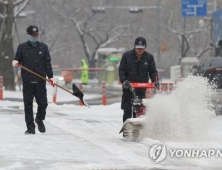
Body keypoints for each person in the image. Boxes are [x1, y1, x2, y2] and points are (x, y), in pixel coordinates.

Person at [12, 25, 54, 135]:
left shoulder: (43, 47)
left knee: (43, 104)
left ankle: (39, 119)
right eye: (33, 35)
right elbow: (17, 60)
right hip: (27, 81)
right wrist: (16, 62)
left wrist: (51, 77)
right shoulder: (22, 47)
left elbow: (47, 63)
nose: (35, 37)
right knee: (28, 105)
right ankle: (30, 127)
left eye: (37, 35)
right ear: (28, 36)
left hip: (40, 81)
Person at [118, 37, 159, 123]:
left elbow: (152, 71)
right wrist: (124, 80)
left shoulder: (149, 57)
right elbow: (121, 70)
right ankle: (127, 128)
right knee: (127, 110)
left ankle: (138, 127)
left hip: (141, 88)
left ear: (145, 47)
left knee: (140, 109)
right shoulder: (127, 56)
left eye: (142, 48)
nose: (140, 50)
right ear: (134, 46)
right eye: (138, 47)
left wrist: (155, 81)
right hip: (128, 88)